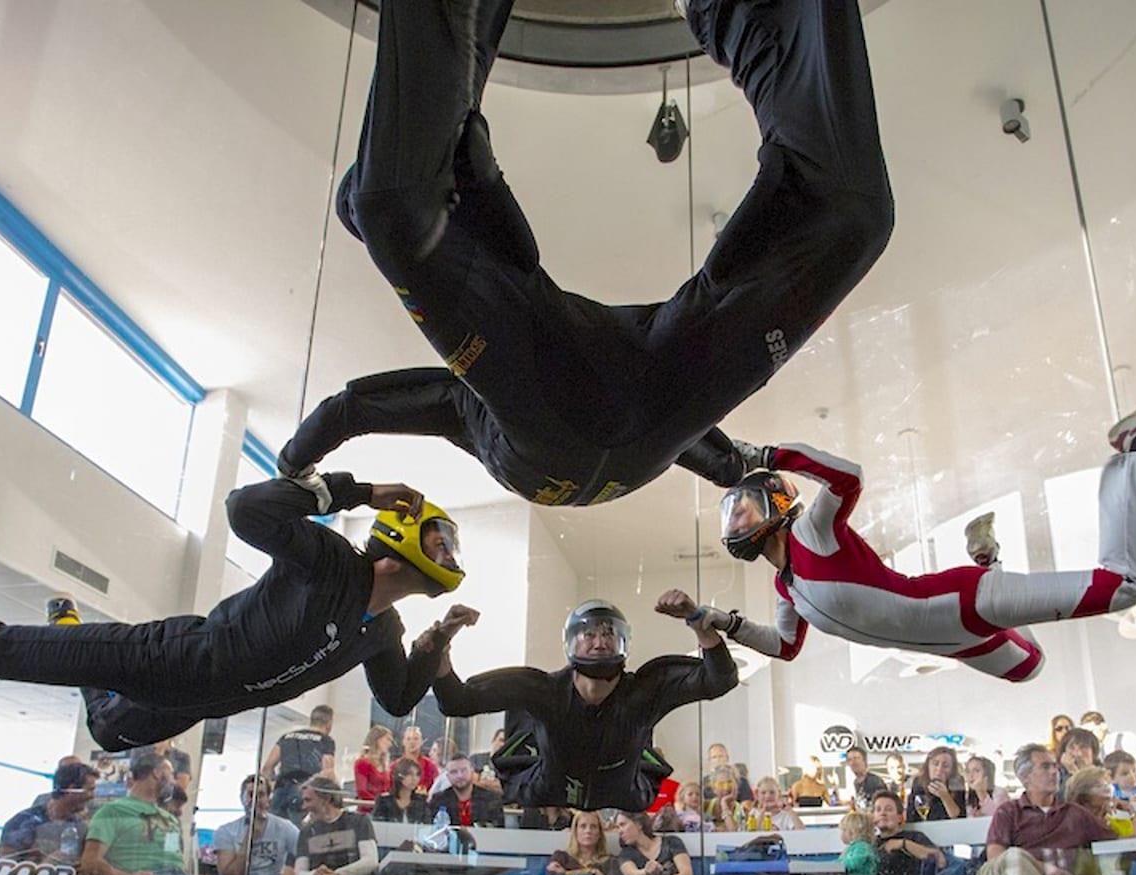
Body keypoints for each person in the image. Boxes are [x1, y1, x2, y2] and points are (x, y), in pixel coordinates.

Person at [284, 0, 894, 510]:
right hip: (648, 409)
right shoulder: (485, 357)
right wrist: (742, 466)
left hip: (575, 413)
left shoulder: (466, 402)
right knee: (849, 217)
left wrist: (299, 471)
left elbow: (354, 408)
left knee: (389, 209)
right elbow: (701, 447)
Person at [0, 454, 476, 754]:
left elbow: (398, 698)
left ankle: (69, 629)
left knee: (107, 733)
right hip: (170, 657)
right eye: (440, 539)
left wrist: (439, 637)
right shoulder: (330, 561)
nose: (449, 554)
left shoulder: (382, 630)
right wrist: (356, 491)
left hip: (194, 701)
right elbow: (246, 509)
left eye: (451, 547)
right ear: (399, 541)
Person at [674, 380, 1136, 682]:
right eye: (729, 513)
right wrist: (717, 619)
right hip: (950, 645)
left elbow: (848, 477)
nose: (733, 519)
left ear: (776, 502)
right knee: (1029, 669)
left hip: (964, 602)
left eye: (741, 506)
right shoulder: (786, 587)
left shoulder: (813, 530)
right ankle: (989, 555)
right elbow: (785, 646)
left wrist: (764, 455)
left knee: (1126, 588)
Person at [432, 600, 736, 812]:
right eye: (589, 634)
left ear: (623, 641)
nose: (600, 642)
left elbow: (720, 680)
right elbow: (457, 701)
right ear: (572, 642)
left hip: (629, 793)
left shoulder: (644, 692)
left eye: (609, 633)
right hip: (543, 788)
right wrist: (440, 645)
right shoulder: (544, 690)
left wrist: (698, 622)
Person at [81, 752, 261, 875]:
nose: (174, 781)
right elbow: (90, 862)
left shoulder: (170, 819)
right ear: (157, 773)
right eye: (171, 774)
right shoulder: (112, 811)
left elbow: (172, 857)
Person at [974, 744, 1115, 875]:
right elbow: (996, 858)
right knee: (1013, 860)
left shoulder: (1074, 813)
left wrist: (1130, 811)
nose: (1054, 772)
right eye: (1046, 767)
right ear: (1025, 777)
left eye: (1055, 766)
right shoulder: (1009, 812)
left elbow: (1117, 844)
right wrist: (1047, 870)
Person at [0, 760, 98, 875]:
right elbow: (2, 869)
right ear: (72, 789)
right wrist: (44, 866)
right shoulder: (24, 822)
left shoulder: (80, 827)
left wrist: (84, 871)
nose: (92, 796)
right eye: (90, 790)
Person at [290, 775, 389, 875]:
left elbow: (370, 861)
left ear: (326, 799)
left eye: (308, 800)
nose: (304, 807)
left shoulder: (359, 822)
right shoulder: (307, 832)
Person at [210, 775, 300, 875]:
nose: (255, 800)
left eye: (261, 795)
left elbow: (305, 855)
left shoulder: (285, 828)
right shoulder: (226, 831)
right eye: (251, 795)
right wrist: (248, 840)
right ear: (242, 799)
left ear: (268, 799)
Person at [269, 707, 340, 822]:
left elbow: (267, 767)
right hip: (304, 791)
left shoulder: (286, 737)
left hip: (281, 789)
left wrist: (273, 784)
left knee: (274, 827)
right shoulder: (325, 740)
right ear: (329, 723)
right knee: (296, 830)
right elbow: (327, 772)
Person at [434, 754, 504, 829]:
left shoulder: (491, 799)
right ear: (448, 776)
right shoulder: (438, 800)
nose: (459, 776)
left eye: (464, 770)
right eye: (454, 772)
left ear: (472, 772)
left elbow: (498, 830)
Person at [905, 745, 966, 823]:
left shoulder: (957, 782)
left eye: (945, 766)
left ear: (952, 770)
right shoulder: (919, 782)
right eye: (935, 764)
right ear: (928, 766)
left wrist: (945, 796)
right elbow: (912, 816)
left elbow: (959, 817)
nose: (939, 769)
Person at [370, 757, 432, 825]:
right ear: (399, 776)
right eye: (410, 774)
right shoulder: (384, 801)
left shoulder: (421, 802)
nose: (414, 778)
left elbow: (427, 825)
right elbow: (377, 825)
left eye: (417, 775)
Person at [352, 725, 395, 806]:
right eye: (388, 739)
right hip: (369, 808)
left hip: (384, 808)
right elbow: (362, 792)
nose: (390, 744)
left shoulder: (385, 765)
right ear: (377, 739)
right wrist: (380, 803)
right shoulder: (362, 763)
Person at [839, 745, 888, 809]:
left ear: (864, 760)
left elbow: (883, 804)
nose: (853, 762)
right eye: (850, 760)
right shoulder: (855, 782)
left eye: (856, 758)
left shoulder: (875, 781)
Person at [964, 755, 1005, 821]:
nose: (971, 775)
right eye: (968, 771)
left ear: (987, 775)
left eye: (976, 771)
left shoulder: (999, 793)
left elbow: (999, 818)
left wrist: (981, 793)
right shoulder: (967, 796)